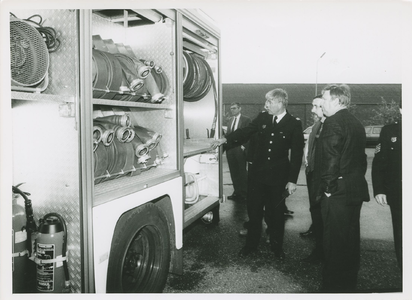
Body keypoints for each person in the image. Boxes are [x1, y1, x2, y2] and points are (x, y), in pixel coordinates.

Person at [212, 88, 304, 259]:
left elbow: (297, 154)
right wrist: (226, 139)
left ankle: (277, 248)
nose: (266, 105)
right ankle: (250, 246)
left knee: (275, 215)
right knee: (254, 212)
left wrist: (292, 180)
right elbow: (246, 131)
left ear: (280, 102)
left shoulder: (293, 123)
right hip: (257, 176)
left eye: (269, 102)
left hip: (277, 178)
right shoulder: (263, 117)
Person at [313, 84, 369, 292]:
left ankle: (333, 289)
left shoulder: (333, 122)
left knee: (334, 242)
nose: (323, 103)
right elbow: (361, 160)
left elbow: (330, 157)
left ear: (337, 101)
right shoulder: (356, 122)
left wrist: (328, 187)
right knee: (350, 240)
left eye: (325, 99)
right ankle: (348, 285)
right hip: (354, 189)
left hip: (336, 192)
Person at [371, 116, 402, 271]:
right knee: (402, 236)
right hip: (399, 194)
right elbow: (379, 162)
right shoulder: (390, 131)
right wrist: (380, 189)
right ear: (402, 110)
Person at [301, 95, 325, 263]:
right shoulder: (315, 126)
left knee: (322, 211)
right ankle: (316, 232)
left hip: (322, 176)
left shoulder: (329, 127)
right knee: (315, 207)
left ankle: (322, 250)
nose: (312, 110)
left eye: (316, 106)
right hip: (311, 171)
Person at [225, 102, 251, 202]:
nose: (232, 110)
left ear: (240, 109)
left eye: (234, 108)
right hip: (230, 149)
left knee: (242, 171)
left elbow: (250, 133)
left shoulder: (246, 119)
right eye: (231, 108)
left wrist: (244, 146)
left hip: (240, 149)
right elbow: (228, 134)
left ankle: (245, 193)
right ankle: (237, 192)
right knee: (233, 171)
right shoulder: (230, 120)